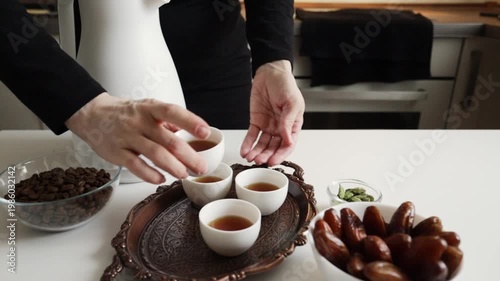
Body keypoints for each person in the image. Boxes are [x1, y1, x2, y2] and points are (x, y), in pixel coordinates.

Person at [0, 0, 305, 184]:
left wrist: (274, 59)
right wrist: (82, 104)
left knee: (217, 182)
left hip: (218, 62)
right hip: (98, 89)